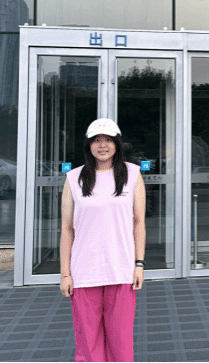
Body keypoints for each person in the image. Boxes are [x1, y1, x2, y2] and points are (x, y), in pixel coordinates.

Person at [59, 118, 146, 362]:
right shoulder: (74, 178)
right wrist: (65, 274)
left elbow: (139, 222)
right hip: (84, 273)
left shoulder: (132, 174)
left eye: (108, 140)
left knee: (121, 341)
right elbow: (66, 229)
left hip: (121, 270)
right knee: (88, 344)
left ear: (117, 144)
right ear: (88, 145)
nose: (103, 145)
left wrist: (139, 264)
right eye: (97, 140)